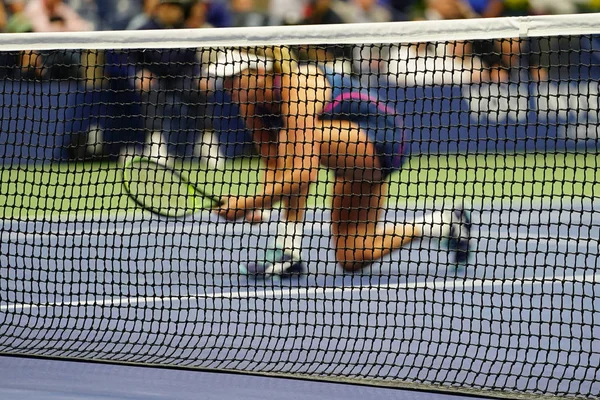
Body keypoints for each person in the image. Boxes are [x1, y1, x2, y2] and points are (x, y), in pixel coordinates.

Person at [210, 49, 472, 275]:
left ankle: (288, 251)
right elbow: (273, 164)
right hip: (350, 158)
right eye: (225, 82)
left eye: (235, 79)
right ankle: (443, 224)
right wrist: (261, 206)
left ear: (261, 71)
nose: (229, 88)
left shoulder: (300, 83)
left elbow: (302, 172)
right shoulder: (248, 104)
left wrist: (246, 204)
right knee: (352, 255)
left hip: (382, 137)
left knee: (292, 138)